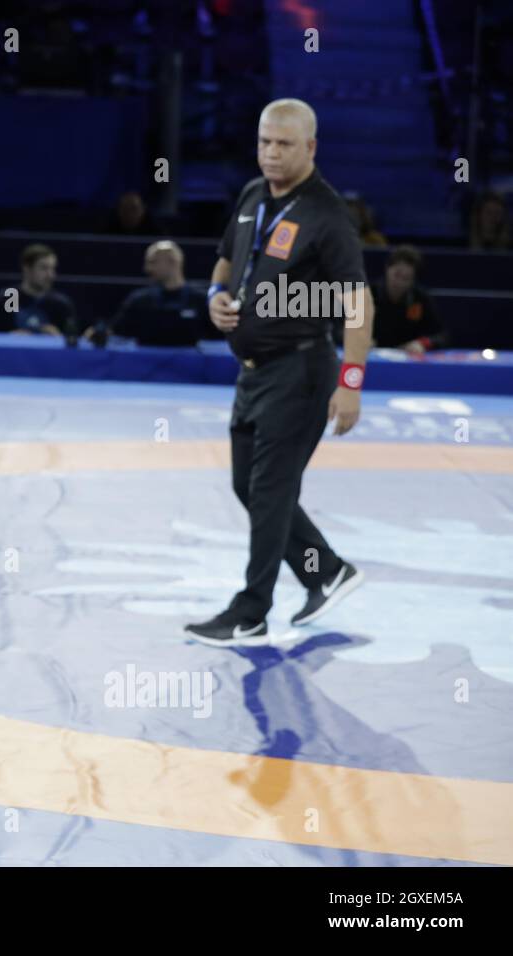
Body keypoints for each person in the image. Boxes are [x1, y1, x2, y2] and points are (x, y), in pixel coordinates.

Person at [186, 98, 373, 646]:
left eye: (284, 144)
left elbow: (359, 303)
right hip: (254, 371)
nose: (271, 152)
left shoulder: (327, 214)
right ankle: (326, 571)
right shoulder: (251, 195)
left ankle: (251, 611)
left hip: (303, 372)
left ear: (310, 147)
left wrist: (351, 383)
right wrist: (216, 296)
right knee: (249, 485)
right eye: (265, 141)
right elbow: (225, 261)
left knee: (269, 490)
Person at [105, 240, 214, 346]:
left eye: (153, 262)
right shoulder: (138, 300)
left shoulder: (201, 300)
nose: (147, 268)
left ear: (173, 261)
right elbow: (114, 331)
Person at [0, 243, 79, 336]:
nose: (50, 275)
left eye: (52, 269)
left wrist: (57, 338)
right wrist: (10, 338)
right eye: (44, 268)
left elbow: (72, 342)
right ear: (27, 268)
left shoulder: (62, 304)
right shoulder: (6, 299)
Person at [367, 245, 447, 353]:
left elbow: (442, 335)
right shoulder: (367, 294)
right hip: (371, 359)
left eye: (406, 278)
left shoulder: (420, 299)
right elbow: (340, 331)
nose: (399, 282)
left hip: (407, 360)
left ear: (413, 280)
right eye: (397, 274)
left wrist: (422, 343)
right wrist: (359, 339)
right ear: (387, 268)